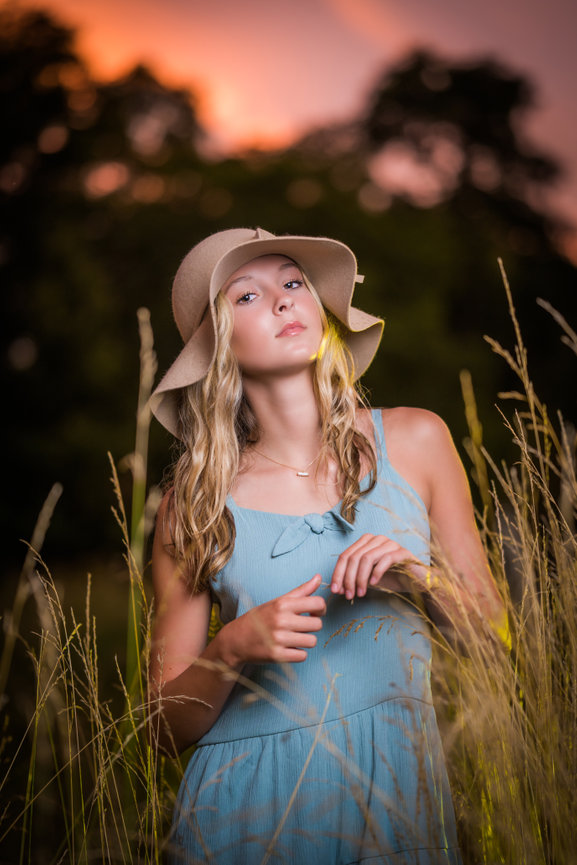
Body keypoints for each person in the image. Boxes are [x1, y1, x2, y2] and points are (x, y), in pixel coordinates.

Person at [148, 227, 504, 865]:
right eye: (247, 297)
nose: (284, 302)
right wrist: (232, 647)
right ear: (216, 345)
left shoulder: (418, 440)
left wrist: (421, 580)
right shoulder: (193, 501)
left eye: (292, 283)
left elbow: (497, 648)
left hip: (400, 784)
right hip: (243, 807)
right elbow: (161, 730)